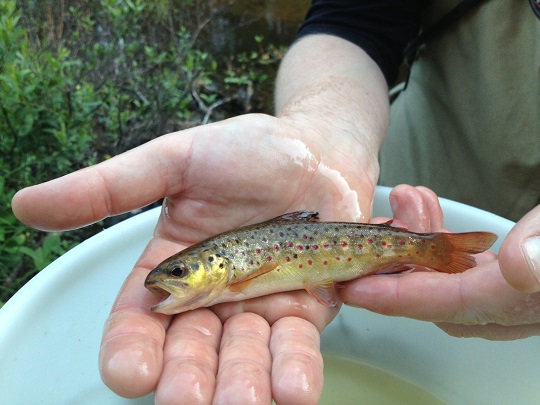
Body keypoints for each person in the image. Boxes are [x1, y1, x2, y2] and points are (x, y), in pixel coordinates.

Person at [11, 1, 539, 404]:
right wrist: (325, 128)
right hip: (403, 157)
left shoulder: (232, 273)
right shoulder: (227, 269)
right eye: (177, 272)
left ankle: (429, 250)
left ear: (217, 268)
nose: (166, 280)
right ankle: (428, 250)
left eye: (178, 271)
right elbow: (356, 22)